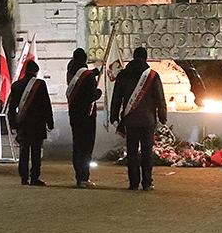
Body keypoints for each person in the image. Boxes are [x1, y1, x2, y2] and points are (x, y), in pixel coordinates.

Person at [109, 46, 167, 191]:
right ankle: (147, 182)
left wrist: (114, 115)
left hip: (130, 119)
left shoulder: (123, 75)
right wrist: (162, 117)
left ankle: (133, 182)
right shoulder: (153, 75)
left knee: (132, 151)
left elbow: (116, 97)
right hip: (148, 120)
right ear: (145, 58)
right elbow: (159, 98)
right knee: (147, 152)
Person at [8, 60, 54, 186]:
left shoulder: (16, 85)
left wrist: (13, 123)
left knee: (23, 151)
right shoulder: (40, 84)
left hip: (23, 123)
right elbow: (46, 105)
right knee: (36, 152)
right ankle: (35, 177)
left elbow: (11, 107)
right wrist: (50, 122)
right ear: (36, 72)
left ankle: (23, 177)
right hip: (37, 124)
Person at [65, 48, 101, 188]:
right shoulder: (87, 75)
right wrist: (98, 92)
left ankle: (79, 175)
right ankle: (84, 176)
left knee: (77, 145)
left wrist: (94, 73)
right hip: (87, 115)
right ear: (85, 59)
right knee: (86, 146)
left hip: (74, 114)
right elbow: (92, 95)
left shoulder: (71, 72)